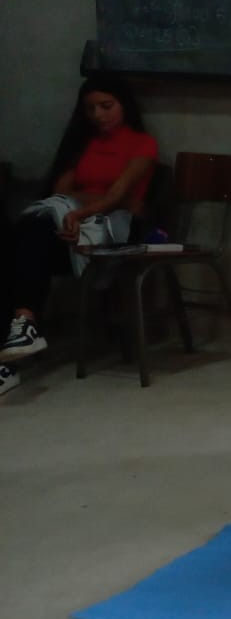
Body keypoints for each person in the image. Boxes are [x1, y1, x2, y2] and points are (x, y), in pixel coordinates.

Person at [1, 75, 157, 392]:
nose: (98, 114)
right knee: (25, 243)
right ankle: (21, 329)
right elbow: (60, 193)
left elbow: (117, 196)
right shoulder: (83, 143)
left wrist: (80, 210)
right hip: (68, 227)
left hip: (110, 231)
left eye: (106, 106)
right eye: (90, 108)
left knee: (27, 241)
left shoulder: (142, 143)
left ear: (124, 105)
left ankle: (21, 330)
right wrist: (83, 206)